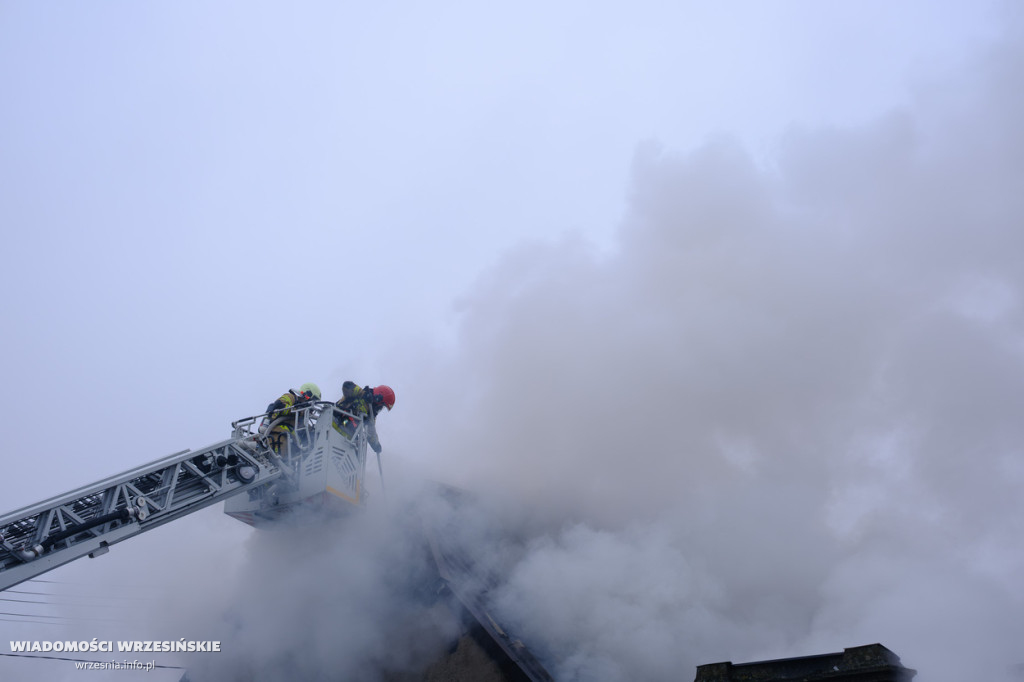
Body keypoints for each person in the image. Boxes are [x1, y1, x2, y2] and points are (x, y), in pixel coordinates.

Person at [332, 381, 395, 454]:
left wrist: (376, 445)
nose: (380, 408)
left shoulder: (371, 415)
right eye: (382, 406)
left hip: (345, 439)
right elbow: (347, 385)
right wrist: (364, 394)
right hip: (333, 425)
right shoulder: (360, 394)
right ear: (378, 399)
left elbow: (371, 434)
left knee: (357, 451)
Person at [263, 382, 321, 455]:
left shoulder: (301, 421)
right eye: (313, 401)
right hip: (277, 439)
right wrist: (298, 411)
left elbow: (308, 434)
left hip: (289, 450)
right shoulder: (291, 397)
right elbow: (279, 406)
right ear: (307, 395)